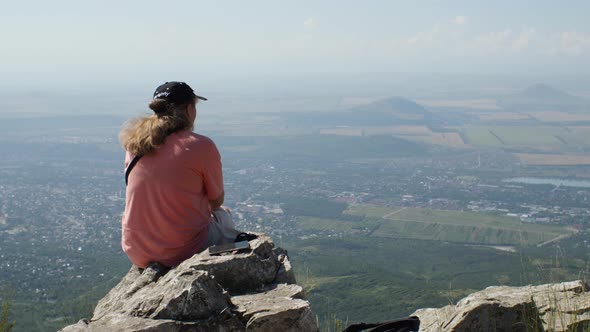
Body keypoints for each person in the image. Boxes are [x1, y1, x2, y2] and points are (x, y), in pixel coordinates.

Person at [119, 81, 240, 268]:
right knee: (224, 215)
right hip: (183, 250)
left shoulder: (135, 145)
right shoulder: (200, 146)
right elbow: (216, 201)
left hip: (137, 251)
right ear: (189, 110)